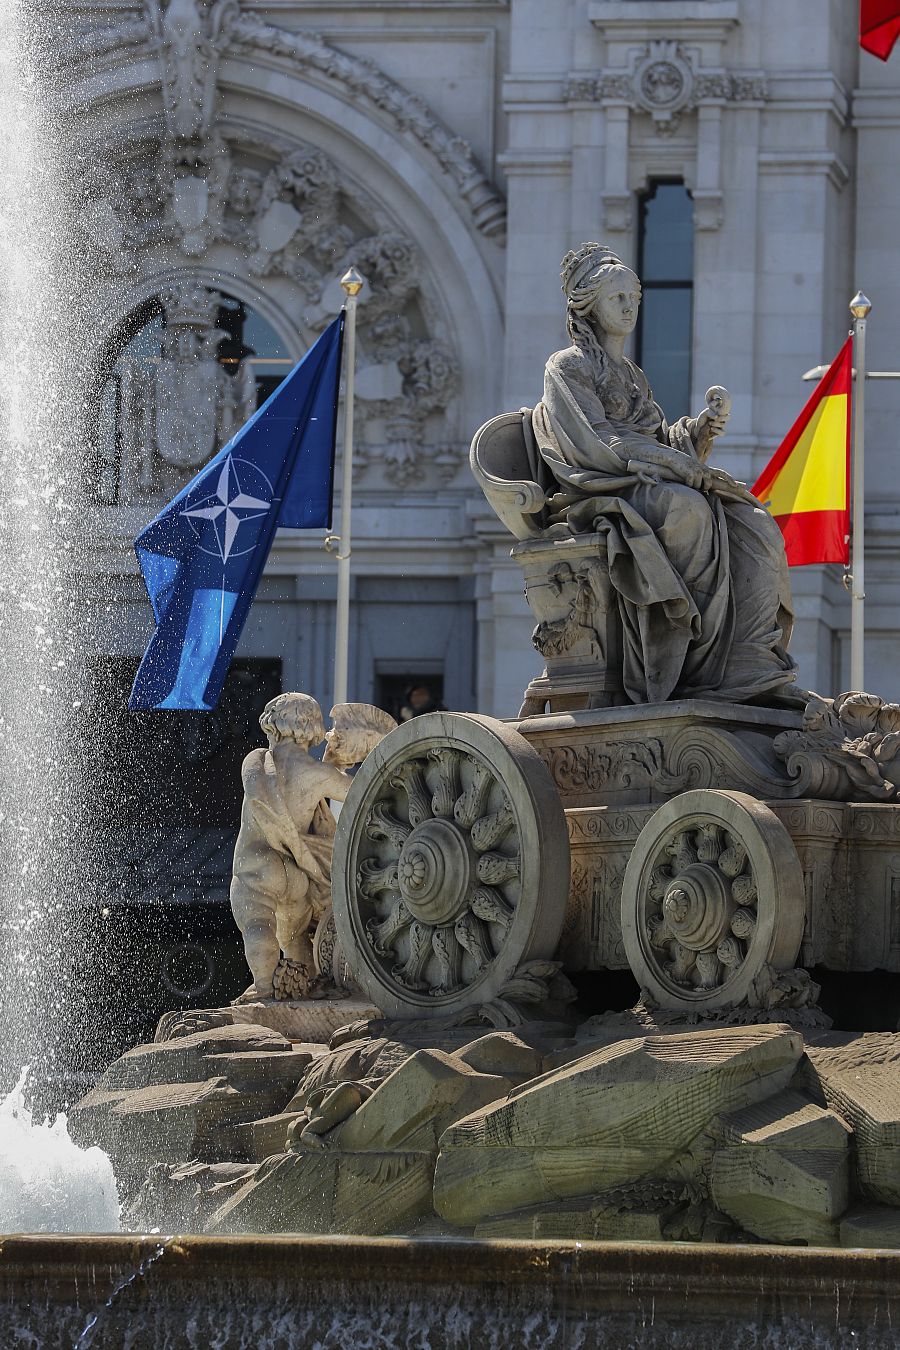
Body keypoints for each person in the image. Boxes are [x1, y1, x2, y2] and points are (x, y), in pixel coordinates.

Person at [531, 242, 798, 706]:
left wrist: (696, 431)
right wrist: (673, 462)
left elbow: (658, 439)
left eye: (635, 296)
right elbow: (594, 442)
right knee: (689, 512)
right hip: (604, 490)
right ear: (588, 305)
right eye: (618, 298)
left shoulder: (633, 376)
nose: (630, 306)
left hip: (646, 482)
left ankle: (746, 657)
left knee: (754, 524)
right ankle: (692, 666)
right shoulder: (567, 366)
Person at [229, 693, 396, 1002]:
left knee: (257, 922)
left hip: (258, 861)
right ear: (313, 727)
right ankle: (304, 981)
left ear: (274, 722)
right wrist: (356, 756)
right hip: (296, 872)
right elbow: (367, 793)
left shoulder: (257, 763)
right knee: (293, 934)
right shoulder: (318, 774)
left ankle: (265, 990)